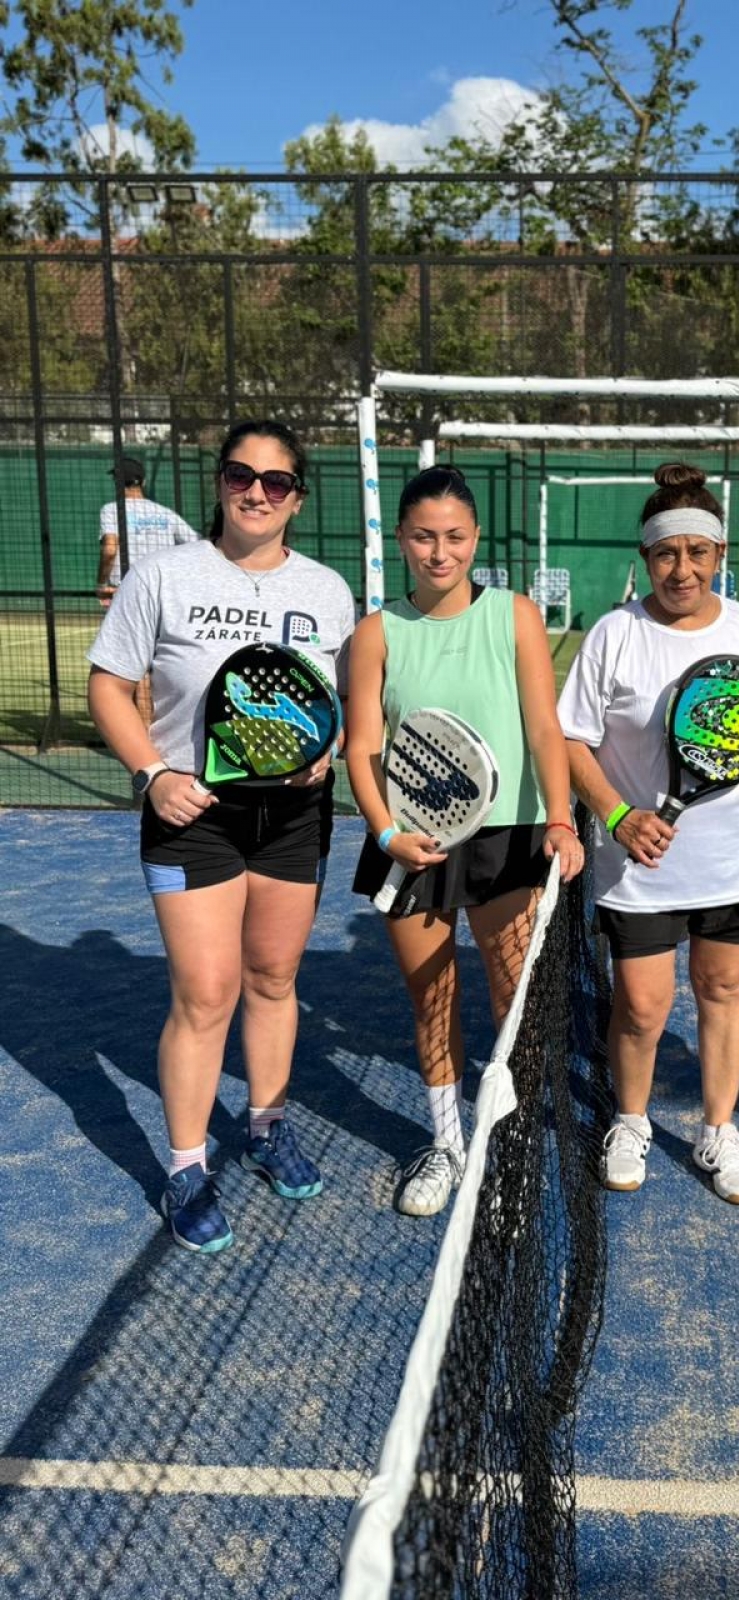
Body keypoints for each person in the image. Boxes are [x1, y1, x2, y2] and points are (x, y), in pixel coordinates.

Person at [87, 421, 356, 1254]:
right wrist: (152, 775)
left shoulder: (327, 590)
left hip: (294, 819)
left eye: (276, 482)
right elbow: (108, 686)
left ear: (297, 498)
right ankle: (186, 1166)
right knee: (206, 994)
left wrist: (331, 749)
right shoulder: (163, 576)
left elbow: (339, 703)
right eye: (242, 475)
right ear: (220, 483)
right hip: (192, 814)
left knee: (273, 980)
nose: (257, 493)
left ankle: (267, 1127)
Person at [344, 465, 584, 1218]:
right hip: (409, 838)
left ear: (475, 538)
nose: (439, 552)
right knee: (432, 997)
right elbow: (362, 746)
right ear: (401, 539)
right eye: (424, 536)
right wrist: (387, 832)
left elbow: (545, 726)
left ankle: (506, 1149)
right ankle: (447, 1145)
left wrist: (560, 816)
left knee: (514, 1006)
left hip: (507, 835)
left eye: (453, 536)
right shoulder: (376, 633)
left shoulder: (515, 615)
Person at [559, 462, 739, 1206]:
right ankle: (630, 1121)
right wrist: (617, 816)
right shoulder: (615, 633)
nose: (682, 569)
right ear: (646, 557)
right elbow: (571, 740)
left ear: (720, 554)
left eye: (697, 552)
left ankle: (720, 1129)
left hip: (733, 859)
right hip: (638, 866)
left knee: (723, 989)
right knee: (642, 1007)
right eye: (665, 554)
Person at [96, 455, 202, 723]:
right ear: (142, 482)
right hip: (164, 594)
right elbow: (196, 544)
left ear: (117, 482)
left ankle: (143, 731)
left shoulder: (112, 510)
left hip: (126, 593)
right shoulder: (164, 513)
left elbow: (110, 548)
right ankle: (159, 727)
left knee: (131, 669)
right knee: (161, 662)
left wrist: (101, 583)